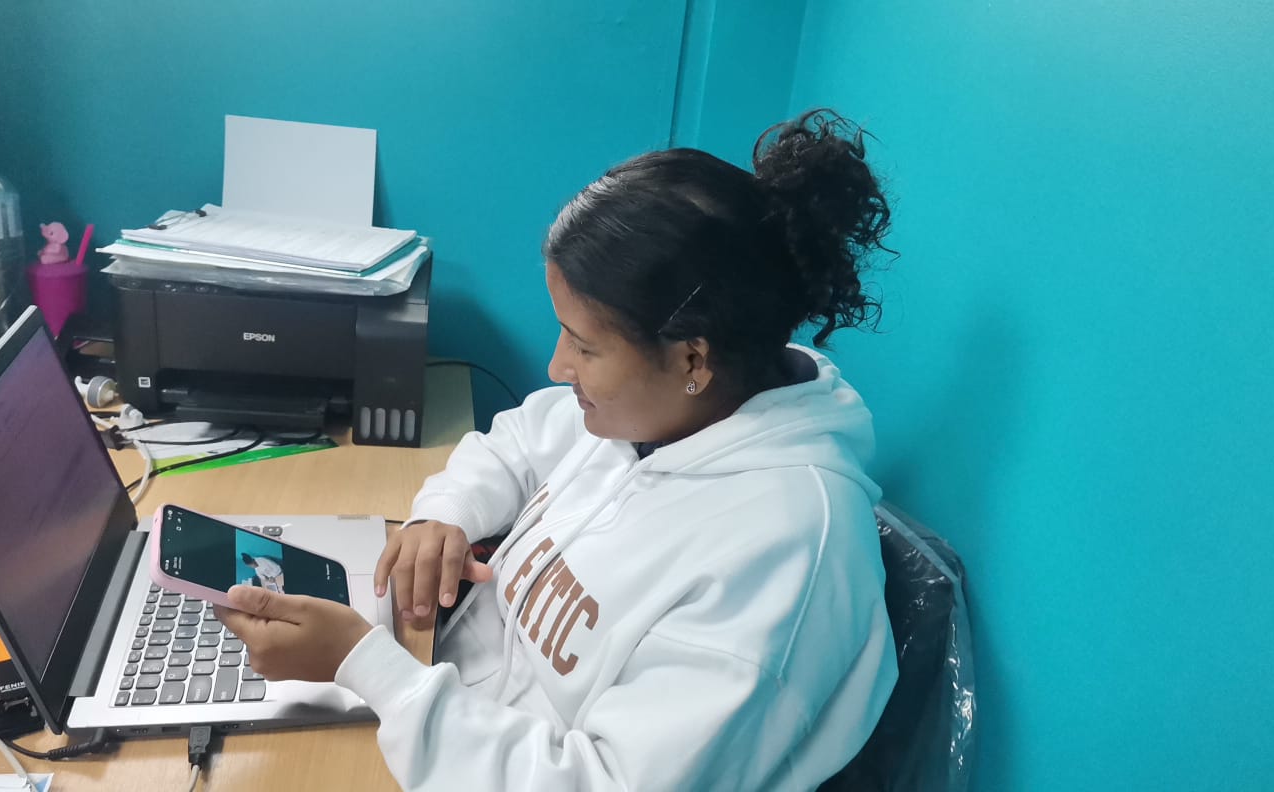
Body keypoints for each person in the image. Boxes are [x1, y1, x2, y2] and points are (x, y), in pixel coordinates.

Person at [216, 109, 899, 791]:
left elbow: (603, 782)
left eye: (585, 346)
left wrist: (367, 668)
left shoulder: (782, 557)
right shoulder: (671, 408)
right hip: (439, 711)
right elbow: (518, 440)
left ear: (692, 358)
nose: (555, 366)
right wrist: (445, 516)